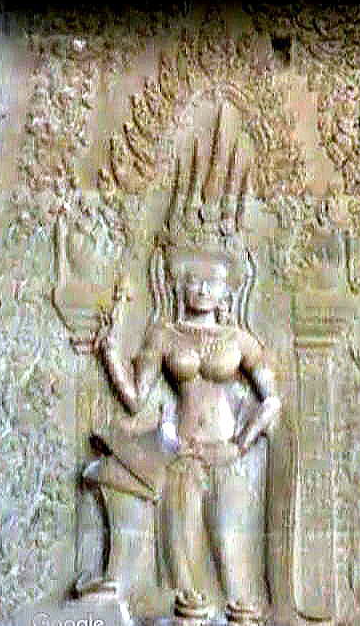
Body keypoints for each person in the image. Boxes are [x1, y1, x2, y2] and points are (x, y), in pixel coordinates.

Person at [83, 245, 281, 622]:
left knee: (228, 546)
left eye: (212, 283)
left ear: (227, 292)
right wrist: (110, 355)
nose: (203, 289)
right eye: (194, 280)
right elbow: (135, 399)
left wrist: (239, 445)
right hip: (182, 453)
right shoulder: (164, 335)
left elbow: (271, 401)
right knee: (184, 558)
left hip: (227, 454)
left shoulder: (239, 340)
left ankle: (241, 611)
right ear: (179, 287)